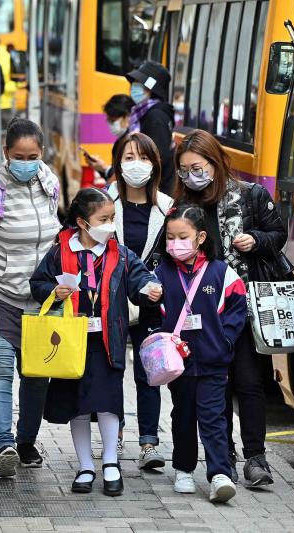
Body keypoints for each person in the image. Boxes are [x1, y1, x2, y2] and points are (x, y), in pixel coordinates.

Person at [29, 188, 162, 497]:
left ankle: (111, 463)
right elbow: (37, 283)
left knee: (108, 402)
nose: (110, 225)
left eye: (113, 218)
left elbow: (140, 282)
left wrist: (150, 291)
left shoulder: (120, 254)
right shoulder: (61, 252)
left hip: (107, 340)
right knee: (77, 405)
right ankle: (85, 465)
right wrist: (53, 291)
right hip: (69, 341)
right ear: (82, 223)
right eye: (103, 219)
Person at [173, 129, 288, 486]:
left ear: (216, 162)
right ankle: (224, 455)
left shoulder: (251, 196)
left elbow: (278, 234)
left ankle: (257, 458)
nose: (192, 176)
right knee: (215, 387)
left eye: (198, 167)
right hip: (204, 316)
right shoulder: (183, 210)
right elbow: (165, 251)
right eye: (184, 170)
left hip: (247, 309)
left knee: (251, 383)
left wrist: (255, 240)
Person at [0, 118, 60, 475]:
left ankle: (25, 443)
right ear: (6, 152)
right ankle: (3, 444)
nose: (27, 162)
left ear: (42, 153)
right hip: (1, 299)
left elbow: (57, 240)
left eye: (34, 155)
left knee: (38, 376)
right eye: (19, 155)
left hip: (43, 302)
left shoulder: (50, 182)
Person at [155, 204, 247, 502]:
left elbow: (237, 309)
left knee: (214, 416)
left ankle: (219, 472)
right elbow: (152, 313)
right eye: (170, 237)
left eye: (183, 236)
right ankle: (183, 469)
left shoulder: (222, 273)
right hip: (178, 364)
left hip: (213, 360)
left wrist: (225, 342)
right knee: (182, 415)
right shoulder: (161, 272)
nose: (175, 243)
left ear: (201, 237)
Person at [107, 131, 172, 467]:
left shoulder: (168, 208)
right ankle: (113, 437)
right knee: (112, 370)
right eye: (129, 157)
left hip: (151, 303)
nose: (136, 164)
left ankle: (149, 442)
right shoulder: (104, 205)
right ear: (118, 163)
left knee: (150, 372)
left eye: (144, 157)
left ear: (155, 164)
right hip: (112, 303)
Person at [125, 61, 175, 193]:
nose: (134, 87)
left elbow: (157, 158)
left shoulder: (156, 116)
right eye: (135, 82)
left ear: (152, 89)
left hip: (156, 191)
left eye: (140, 84)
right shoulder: (146, 113)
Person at [84, 94, 135, 182]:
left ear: (127, 116)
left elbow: (127, 178)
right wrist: (100, 168)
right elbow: (112, 179)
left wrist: (105, 168)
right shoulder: (119, 142)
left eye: (113, 121)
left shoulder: (134, 143)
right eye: (108, 121)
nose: (110, 125)